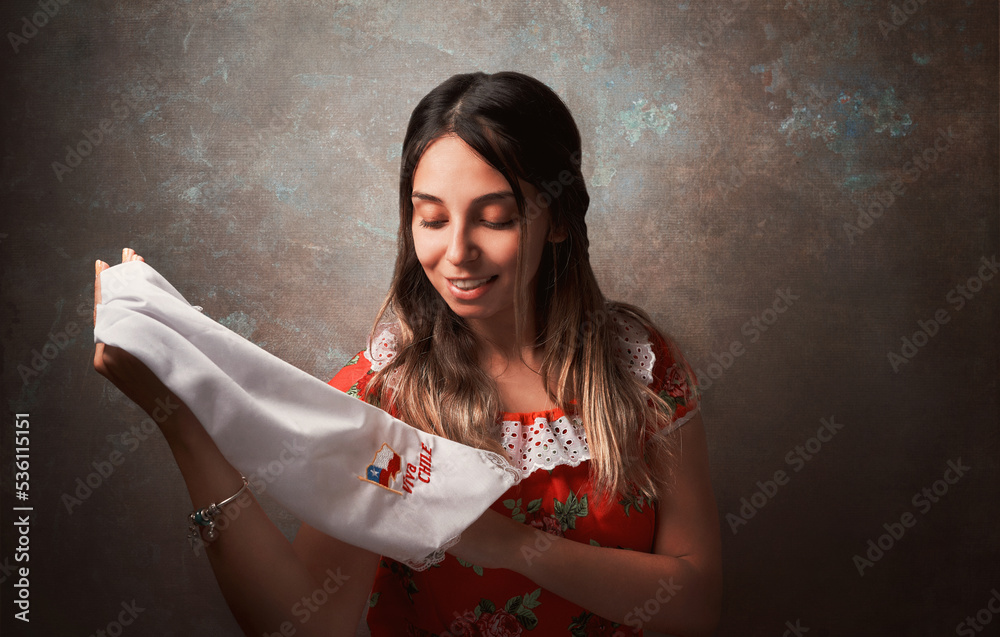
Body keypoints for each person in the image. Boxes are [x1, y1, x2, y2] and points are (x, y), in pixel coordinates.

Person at [93, 71, 722, 636]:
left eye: (495, 218)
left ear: (558, 219)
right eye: (432, 218)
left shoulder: (638, 367)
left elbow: (696, 605)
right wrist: (181, 422)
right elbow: (308, 624)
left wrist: (508, 545)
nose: (457, 253)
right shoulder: (389, 393)